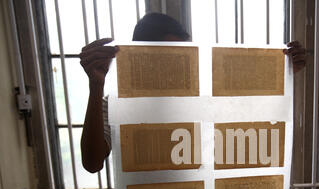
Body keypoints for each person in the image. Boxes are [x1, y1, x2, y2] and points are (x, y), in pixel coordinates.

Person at [80, 12, 306, 173]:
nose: (176, 66)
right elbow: (92, 163)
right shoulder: (118, 104)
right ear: (141, 58)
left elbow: (247, 119)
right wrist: (95, 85)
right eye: (165, 57)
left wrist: (283, 75)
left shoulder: (200, 99)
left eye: (183, 56)